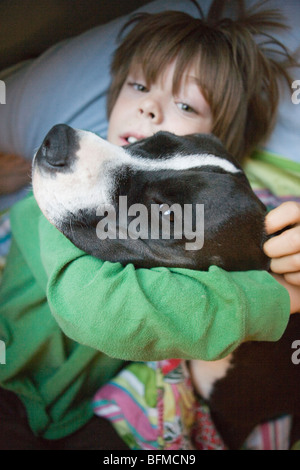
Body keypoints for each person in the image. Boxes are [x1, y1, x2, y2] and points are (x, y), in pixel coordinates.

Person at [0, 0, 299, 450]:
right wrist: (278, 298)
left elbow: (250, 227)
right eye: (139, 86)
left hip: (71, 415)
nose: (150, 109)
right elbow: (98, 309)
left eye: (185, 104)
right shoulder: (59, 191)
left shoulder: (215, 209)